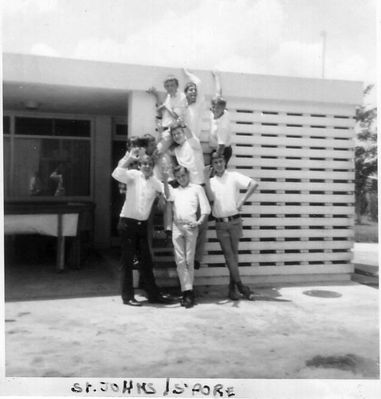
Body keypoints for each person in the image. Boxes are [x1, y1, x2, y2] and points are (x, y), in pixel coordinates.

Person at [111, 153, 172, 306]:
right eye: (144, 163)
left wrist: (164, 183)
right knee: (127, 261)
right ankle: (128, 297)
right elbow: (116, 173)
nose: (146, 166)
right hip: (127, 223)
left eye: (149, 164)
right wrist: (129, 158)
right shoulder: (133, 175)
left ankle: (154, 295)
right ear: (140, 165)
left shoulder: (155, 181)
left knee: (146, 261)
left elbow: (168, 193)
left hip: (142, 226)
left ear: (152, 167)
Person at [203, 152, 258, 301]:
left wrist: (241, 201)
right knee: (229, 256)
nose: (219, 165)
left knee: (233, 257)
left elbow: (253, 184)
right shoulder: (211, 182)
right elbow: (211, 199)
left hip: (235, 222)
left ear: (224, 162)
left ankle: (232, 289)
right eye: (216, 163)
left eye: (221, 161)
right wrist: (206, 180)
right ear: (212, 165)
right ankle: (241, 286)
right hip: (221, 224)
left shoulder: (233, 176)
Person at [163, 166, 210, 308]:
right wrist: (165, 181)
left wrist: (198, 222)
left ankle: (187, 293)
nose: (181, 179)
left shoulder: (197, 189)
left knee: (189, 260)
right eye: (178, 177)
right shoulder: (175, 191)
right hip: (177, 227)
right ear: (176, 178)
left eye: (183, 175)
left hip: (191, 227)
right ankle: (188, 292)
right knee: (180, 260)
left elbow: (206, 209)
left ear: (187, 174)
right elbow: (167, 195)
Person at [169, 124, 209, 270]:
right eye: (174, 134)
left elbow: (190, 135)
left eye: (179, 133)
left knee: (202, 225)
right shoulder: (177, 150)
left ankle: (196, 258)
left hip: (199, 185)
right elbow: (165, 147)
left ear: (184, 133)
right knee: (186, 223)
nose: (176, 136)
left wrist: (183, 124)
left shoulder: (193, 143)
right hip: (185, 188)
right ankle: (186, 258)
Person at [209, 71, 233, 166]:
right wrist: (217, 78)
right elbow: (219, 93)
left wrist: (216, 155)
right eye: (214, 106)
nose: (215, 109)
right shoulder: (216, 113)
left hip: (222, 150)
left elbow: (221, 146)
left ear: (223, 109)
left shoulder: (222, 125)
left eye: (218, 108)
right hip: (216, 147)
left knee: (217, 174)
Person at [183, 68, 205, 140]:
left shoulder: (197, 104)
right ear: (185, 93)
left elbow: (199, 83)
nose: (194, 91)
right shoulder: (182, 106)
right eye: (191, 90)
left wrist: (188, 74)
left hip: (195, 140)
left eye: (195, 90)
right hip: (182, 141)